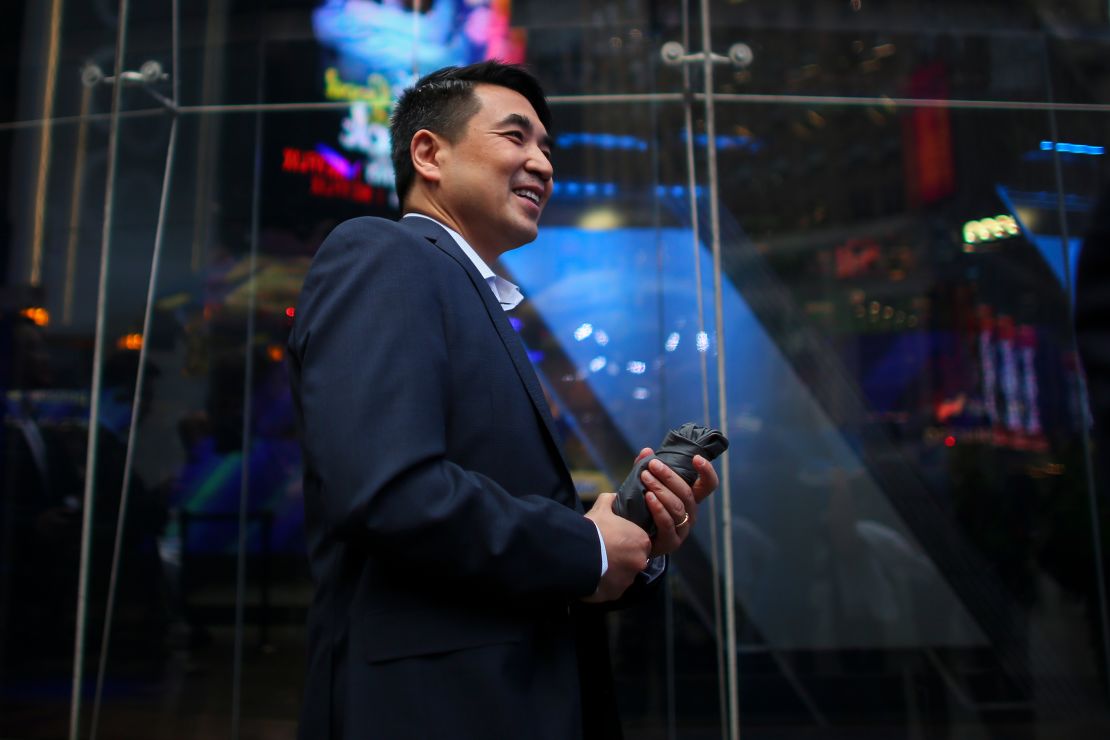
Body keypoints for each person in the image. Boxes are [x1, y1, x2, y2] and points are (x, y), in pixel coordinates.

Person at [288, 60, 719, 739]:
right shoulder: (385, 254)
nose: (542, 164)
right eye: (515, 138)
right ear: (429, 153)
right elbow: (390, 490)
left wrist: (633, 542)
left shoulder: (463, 289)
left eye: (547, 147)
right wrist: (585, 545)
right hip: (432, 711)